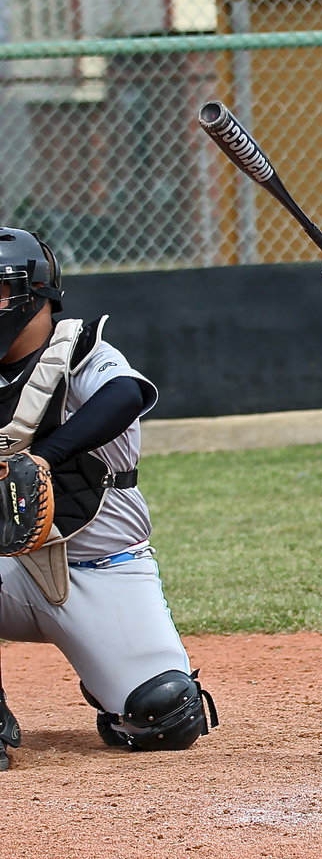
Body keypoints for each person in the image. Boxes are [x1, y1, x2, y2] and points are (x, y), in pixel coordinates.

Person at [0, 227, 216, 770]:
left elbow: (125, 395)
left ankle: (112, 678)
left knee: (165, 714)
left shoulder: (82, 350)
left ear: (39, 293)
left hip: (101, 569)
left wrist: (44, 458)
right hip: (9, 570)